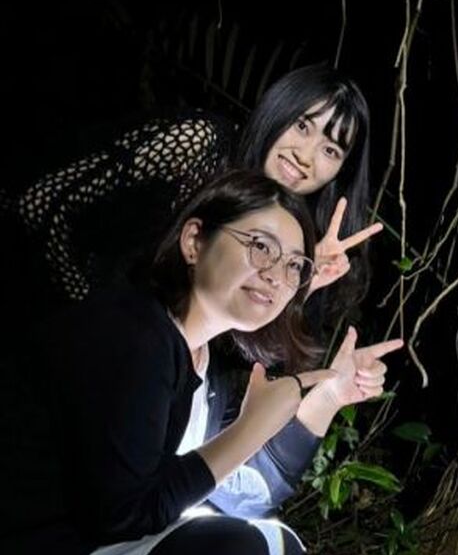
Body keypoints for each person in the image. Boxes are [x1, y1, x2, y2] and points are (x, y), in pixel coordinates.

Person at [0, 169, 404, 555]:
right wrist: (249, 430)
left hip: (88, 553)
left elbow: (236, 492)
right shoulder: (133, 335)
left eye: (295, 266)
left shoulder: (205, 357)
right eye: (260, 246)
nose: (276, 274)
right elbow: (124, 512)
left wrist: (329, 396)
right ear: (194, 241)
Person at [13, 61, 381, 344]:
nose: (305, 156)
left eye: (330, 150)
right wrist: (90, 313)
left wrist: (303, 283)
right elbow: (40, 202)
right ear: (278, 109)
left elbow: (233, 355)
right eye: (302, 126)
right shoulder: (199, 143)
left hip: (129, 372)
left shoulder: (289, 240)